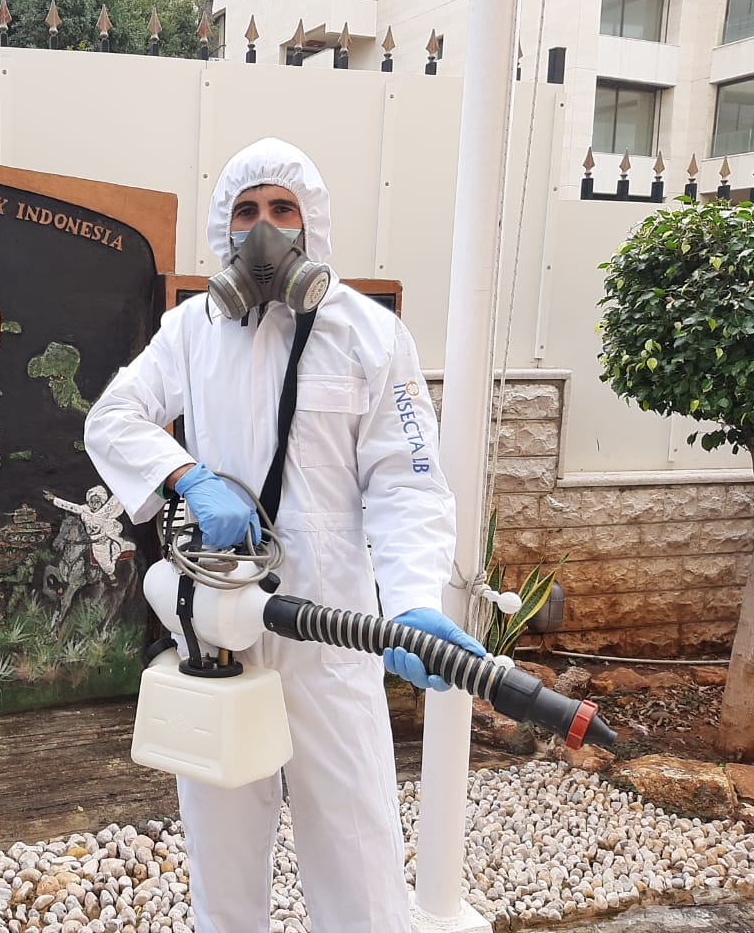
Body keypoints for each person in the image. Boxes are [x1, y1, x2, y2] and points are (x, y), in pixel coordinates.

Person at [83, 137, 486, 933]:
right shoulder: (193, 329)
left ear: (312, 224)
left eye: (281, 208)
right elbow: (112, 418)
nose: (263, 228)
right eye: (245, 211)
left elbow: (407, 483)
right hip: (222, 629)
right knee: (223, 856)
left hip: (331, 636)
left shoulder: (369, 336)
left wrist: (411, 601)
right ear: (223, 228)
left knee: (357, 852)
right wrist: (186, 475)